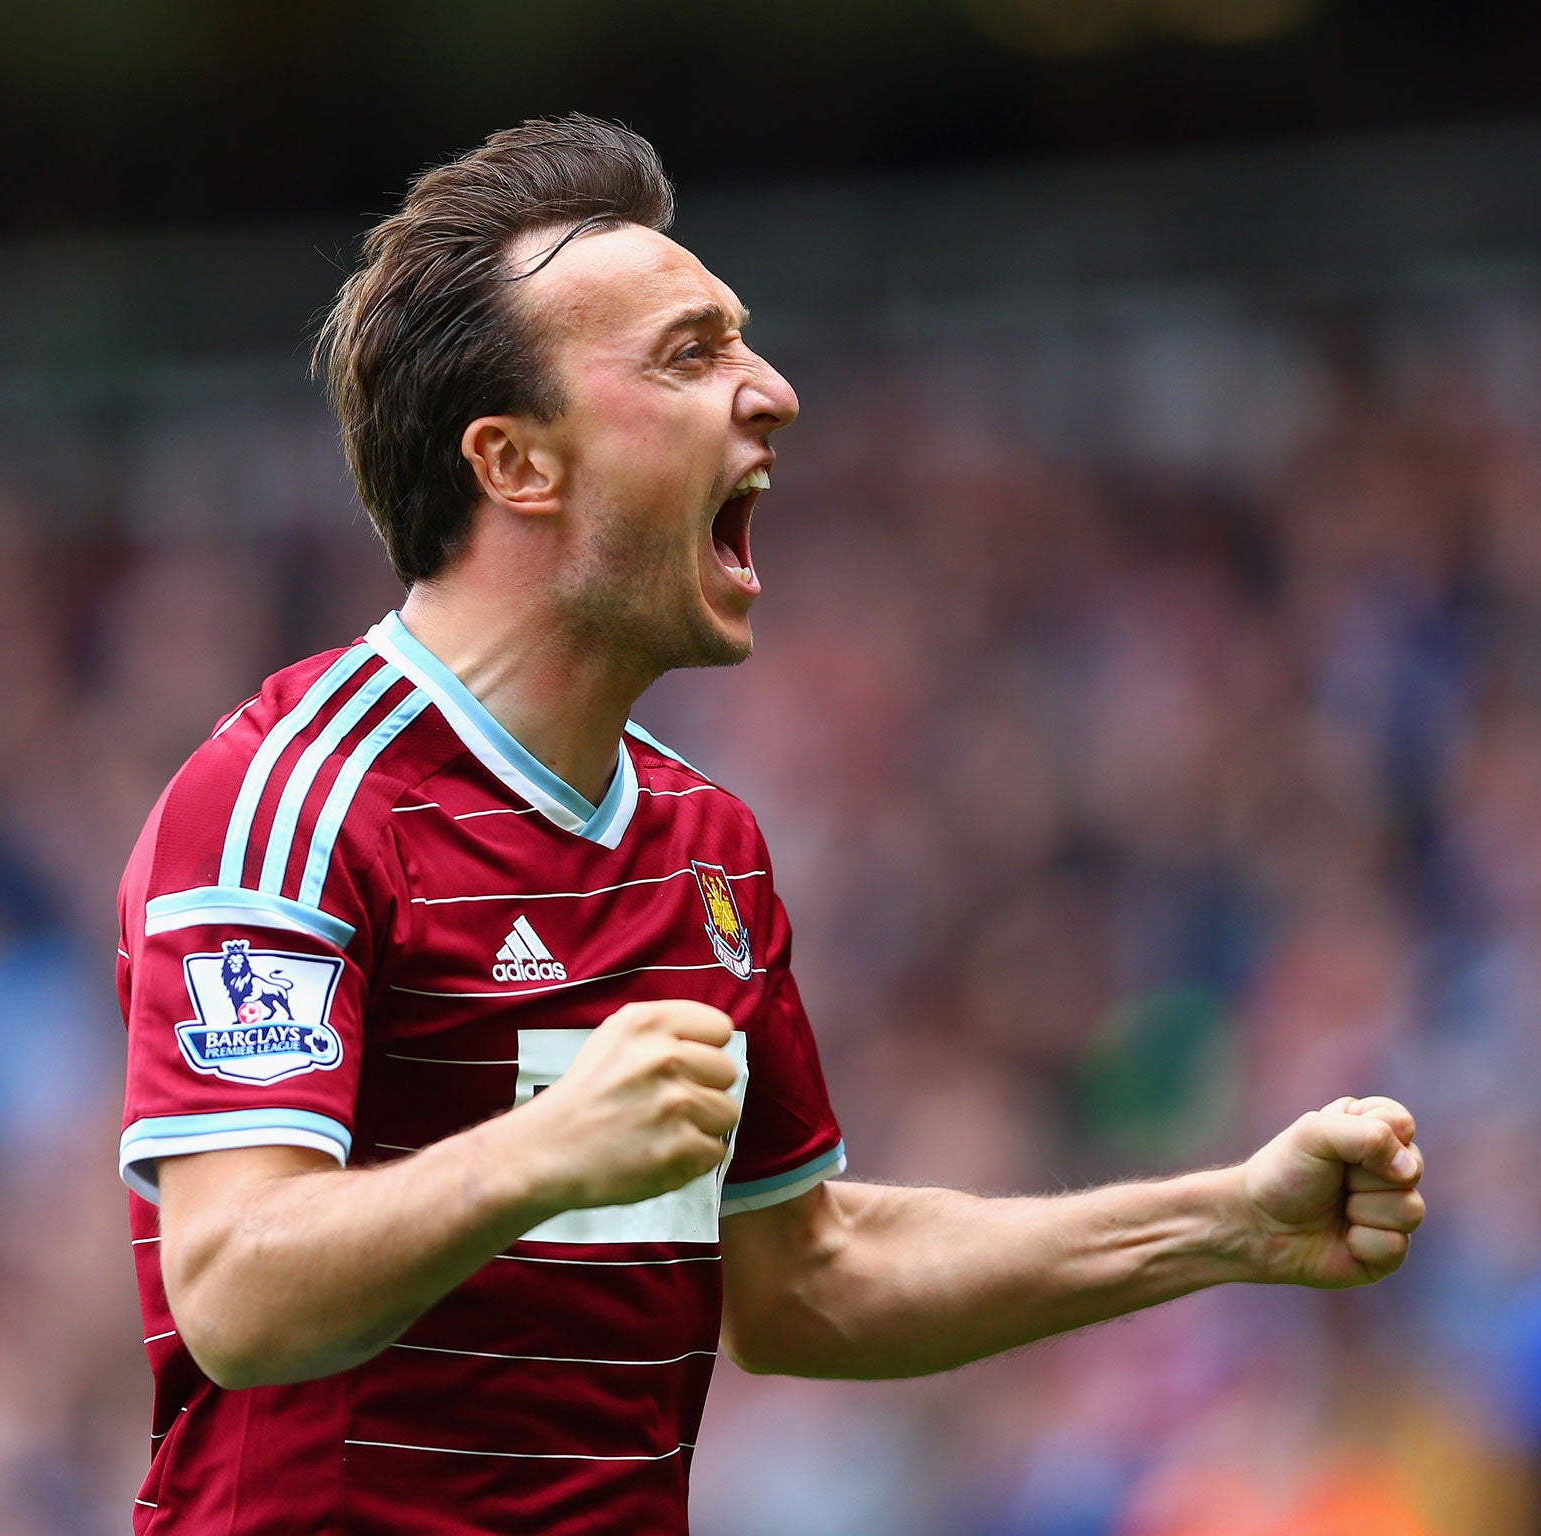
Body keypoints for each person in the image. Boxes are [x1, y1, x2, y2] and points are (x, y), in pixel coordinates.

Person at [113, 115, 1426, 1535]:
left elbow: (808, 1282)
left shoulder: (705, 844)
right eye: (689, 356)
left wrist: (1224, 1224)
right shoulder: (286, 801)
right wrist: (544, 1150)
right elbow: (236, 1288)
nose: (775, 393)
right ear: (515, 464)